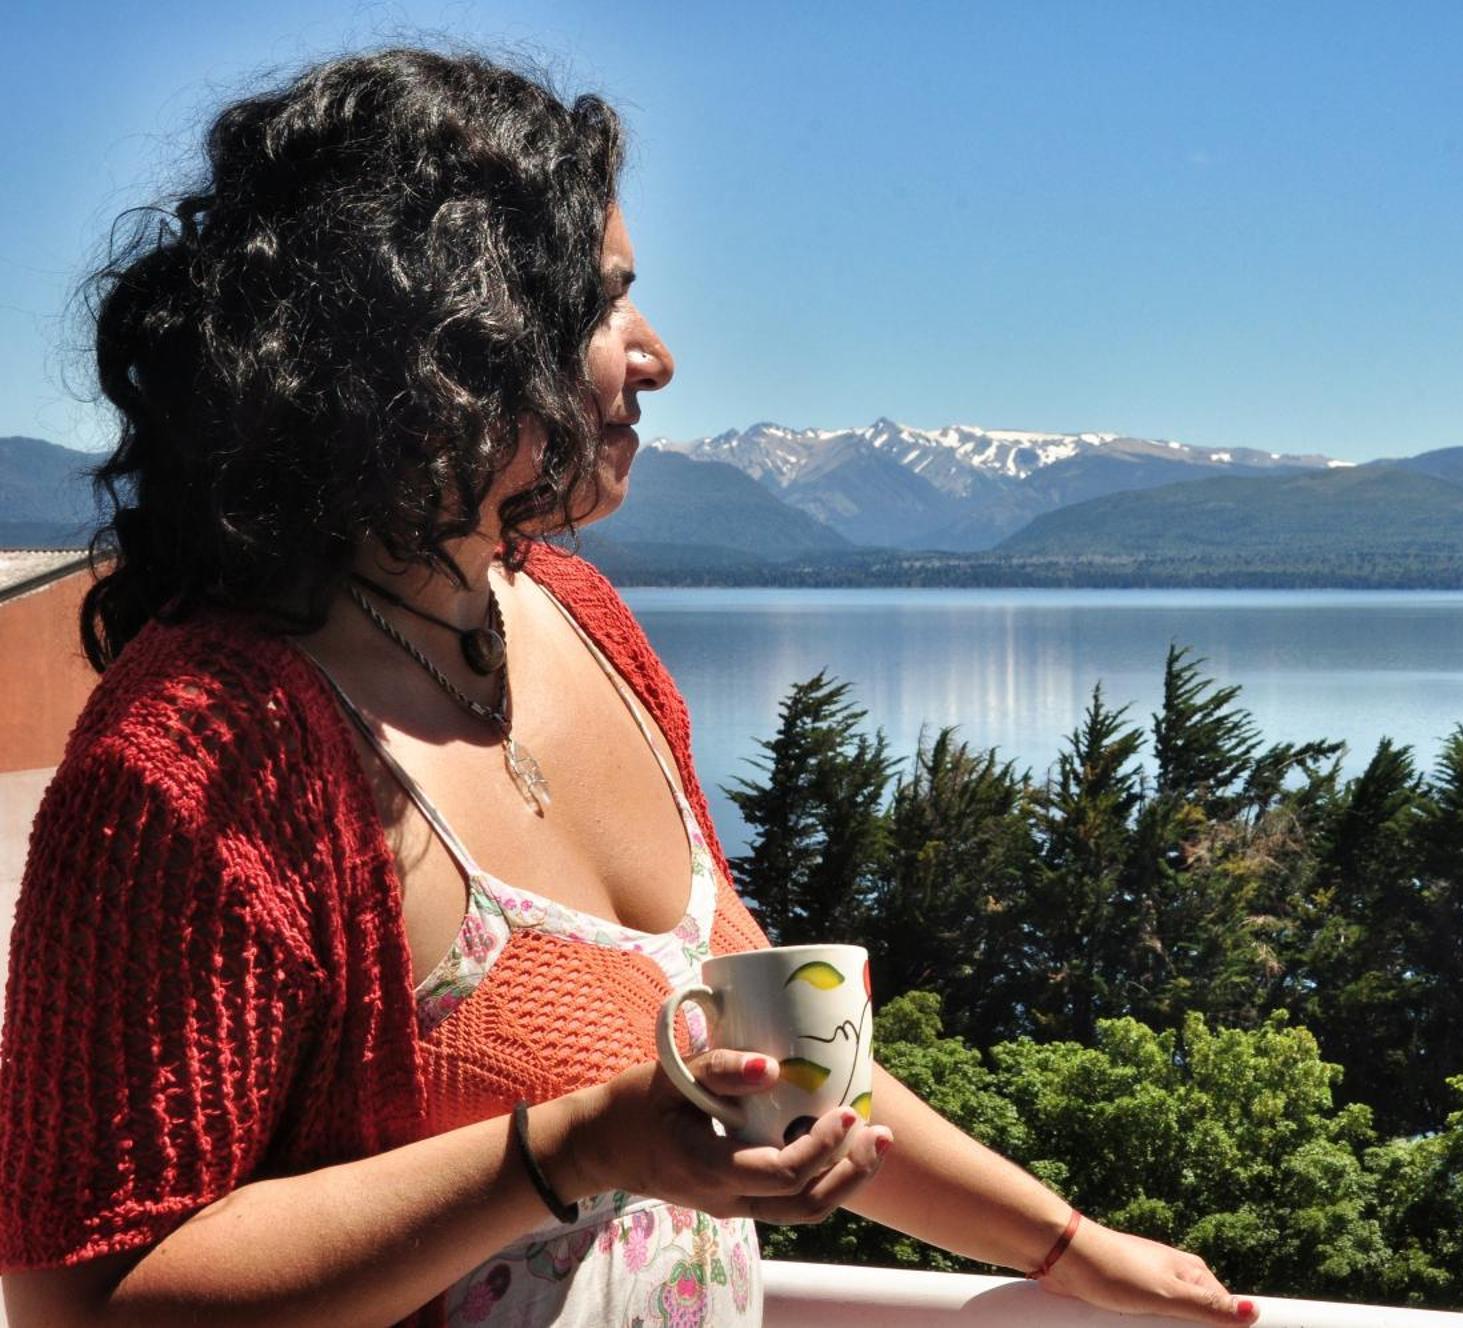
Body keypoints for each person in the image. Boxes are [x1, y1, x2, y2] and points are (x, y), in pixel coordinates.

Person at [0, 46, 1260, 1328]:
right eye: (603, 307)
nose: (654, 355)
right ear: (441, 346)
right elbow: (86, 1300)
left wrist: (1062, 1240)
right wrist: (572, 1149)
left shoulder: (575, 617)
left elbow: (770, 1043)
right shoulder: (195, 764)